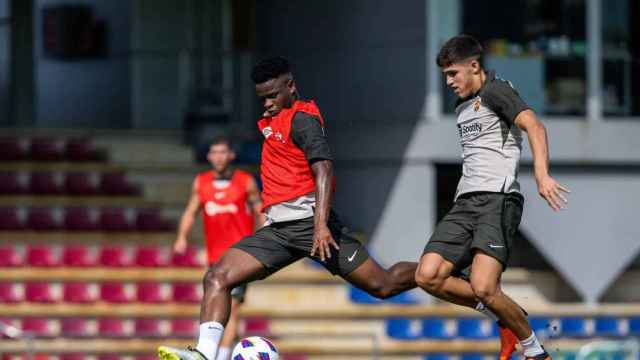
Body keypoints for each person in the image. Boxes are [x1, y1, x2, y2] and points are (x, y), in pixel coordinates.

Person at [158, 56, 419, 360]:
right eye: (262, 98)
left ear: (291, 86)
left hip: (313, 227)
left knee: (382, 285)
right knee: (217, 276)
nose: (267, 103)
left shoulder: (303, 119)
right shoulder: (273, 121)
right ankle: (204, 354)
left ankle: (437, 268)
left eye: (272, 95)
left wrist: (320, 225)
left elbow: (323, 169)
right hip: (279, 230)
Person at [415, 35, 570, 360]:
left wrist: (542, 175)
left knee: (485, 287)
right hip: (465, 204)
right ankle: (503, 318)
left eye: (453, 73)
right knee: (427, 276)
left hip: (497, 201)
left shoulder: (496, 91)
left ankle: (534, 351)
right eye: (445, 75)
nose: (449, 82)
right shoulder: (462, 106)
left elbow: (535, 127)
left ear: (474, 66)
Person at [172, 137, 264, 360]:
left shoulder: (245, 181)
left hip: (241, 255)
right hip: (215, 257)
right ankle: (223, 349)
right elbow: (190, 211)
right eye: (215, 152)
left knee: (230, 308)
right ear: (209, 156)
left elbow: (259, 208)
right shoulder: (201, 182)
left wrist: (263, 237)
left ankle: (218, 356)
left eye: (223, 152)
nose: (219, 157)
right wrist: (181, 237)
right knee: (218, 307)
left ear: (231, 155)